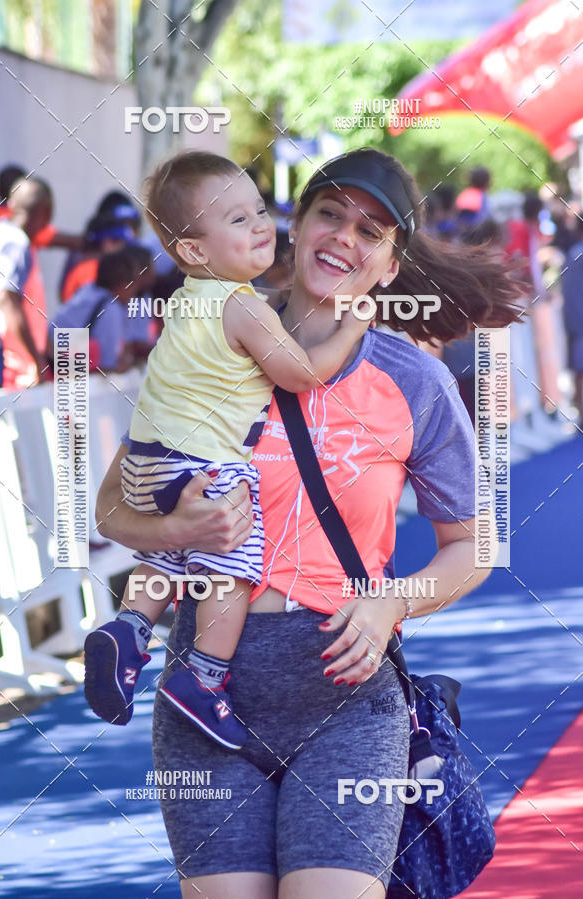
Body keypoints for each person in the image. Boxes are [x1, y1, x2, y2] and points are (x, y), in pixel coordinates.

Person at [94, 148, 521, 898]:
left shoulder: (410, 378)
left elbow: (476, 543)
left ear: (390, 265)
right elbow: (109, 508)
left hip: (345, 702)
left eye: (372, 230)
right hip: (207, 697)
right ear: (296, 226)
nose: (344, 238)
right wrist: (178, 532)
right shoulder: (208, 336)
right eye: (331, 213)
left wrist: (396, 599)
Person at [84, 151, 372, 750]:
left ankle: (131, 629)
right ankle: (204, 679)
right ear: (194, 249)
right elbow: (300, 374)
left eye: (261, 209)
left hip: (146, 463)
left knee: (171, 554)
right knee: (234, 562)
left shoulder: (187, 300)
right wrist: (350, 328)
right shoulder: (242, 305)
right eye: (238, 221)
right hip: (200, 462)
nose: (262, 225)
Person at [0, 177, 52, 389]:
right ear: (47, 213)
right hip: (13, 364)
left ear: (11, 205)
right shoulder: (16, 242)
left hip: (3, 358)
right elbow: (7, 299)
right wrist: (36, 360)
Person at [47, 247, 139, 372]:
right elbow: (107, 365)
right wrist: (124, 366)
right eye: (133, 284)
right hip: (67, 372)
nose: (134, 292)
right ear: (123, 284)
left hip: (52, 360)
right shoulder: (111, 308)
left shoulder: (88, 289)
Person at [560, 217, 583, 423]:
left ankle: (579, 406)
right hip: (578, 316)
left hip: (573, 316)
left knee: (578, 366)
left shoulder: (572, 253)